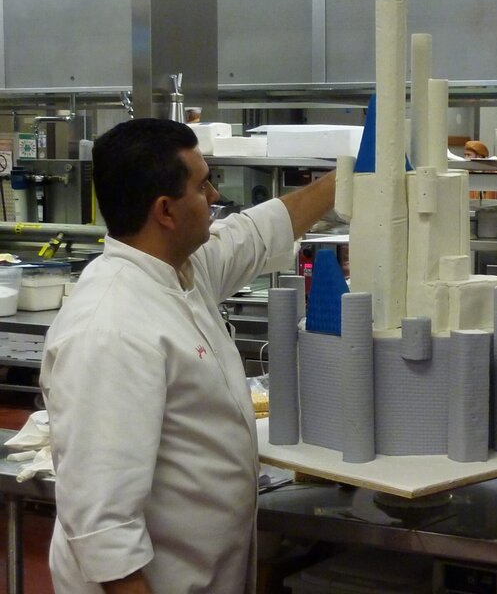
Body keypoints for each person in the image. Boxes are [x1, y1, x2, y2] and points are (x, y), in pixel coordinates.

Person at [40, 118, 336, 593]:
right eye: (203, 185)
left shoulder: (180, 270)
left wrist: (349, 179)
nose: (215, 196)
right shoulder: (112, 328)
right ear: (166, 211)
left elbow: (256, 233)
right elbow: (103, 526)